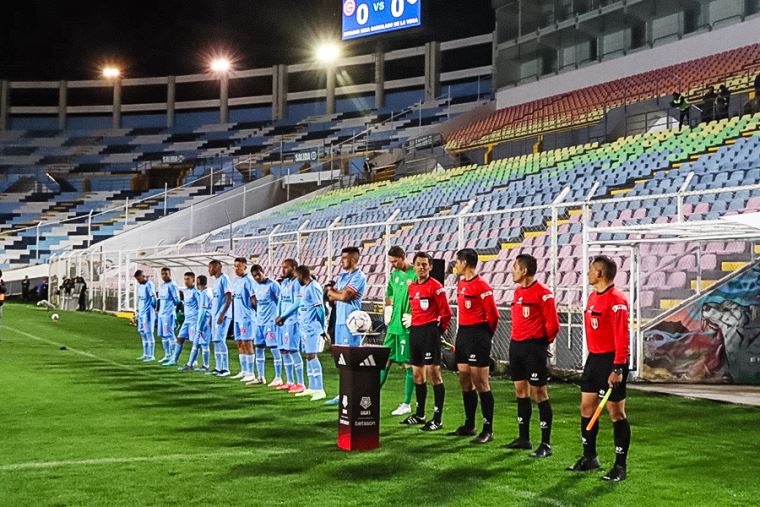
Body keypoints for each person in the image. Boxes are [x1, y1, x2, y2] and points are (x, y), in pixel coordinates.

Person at [567, 256, 631, 482]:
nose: (587, 274)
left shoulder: (617, 301)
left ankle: (620, 467)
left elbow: (622, 338)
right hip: (594, 360)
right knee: (586, 408)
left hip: (612, 362)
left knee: (616, 413)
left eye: (591, 270)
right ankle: (589, 457)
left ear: (600, 274)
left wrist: (618, 368)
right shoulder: (593, 297)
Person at [505, 254, 560, 458]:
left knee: (539, 394)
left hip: (533, 347)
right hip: (516, 345)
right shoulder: (518, 292)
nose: (512, 271)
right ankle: (524, 438)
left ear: (524, 271)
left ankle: (545, 443)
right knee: (520, 391)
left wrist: (540, 344)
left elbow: (553, 324)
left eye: (515, 268)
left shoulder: (544, 293)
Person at [448, 248, 499, 444]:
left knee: (481, 382)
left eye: (457, 261)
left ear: (466, 263)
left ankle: (488, 429)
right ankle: (469, 424)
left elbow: (493, 316)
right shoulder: (461, 284)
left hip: (478, 334)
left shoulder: (482, 286)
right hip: (463, 333)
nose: (455, 265)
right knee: (464, 379)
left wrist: (485, 336)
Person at [400, 252, 452, 432]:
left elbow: (446, 314)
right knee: (417, 375)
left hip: (430, 332)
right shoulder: (412, 287)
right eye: (418, 264)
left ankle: (437, 419)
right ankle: (420, 414)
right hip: (415, 332)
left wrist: (437, 331)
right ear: (413, 266)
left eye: (425, 264)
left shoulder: (436, 287)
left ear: (430, 267)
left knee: (434, 374)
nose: (421, 267)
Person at [324, 246, 368, 405]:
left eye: (345, 258)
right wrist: (335, 294)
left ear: (354, 260)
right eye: (341, 257)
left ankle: (354, 394)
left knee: (351, 360)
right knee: (342, 361)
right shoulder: (342, 276)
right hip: (340, 321)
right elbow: (333, 297)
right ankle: (343, 394)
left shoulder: (359, 276)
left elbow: (344, 296)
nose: (341, 260)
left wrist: (334, 293)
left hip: (353, 324)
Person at [381, 246, 417, 417]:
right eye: (391, 262)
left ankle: (407, 403)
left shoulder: (415, 274)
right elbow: (388, 294)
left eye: (395, 261)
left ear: (403, 257)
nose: (393, 265)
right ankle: (371, 396)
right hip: (393, 326)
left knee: (408, 364)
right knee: (384, 361)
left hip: (406, 327)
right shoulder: (394, 275)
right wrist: (388, 308)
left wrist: (415, 316)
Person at [294, 265, 327, 401]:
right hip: (305, 328)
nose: (296, 279)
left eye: (297, 276)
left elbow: (320, 309)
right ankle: (312, 387)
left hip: (313, 328)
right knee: (308, 355)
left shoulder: (314, 287)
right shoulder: (304, 288)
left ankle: (320, 389)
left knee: (313, 355)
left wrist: (322, 328)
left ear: (302, 275)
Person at [275, 259, 307, 393]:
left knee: (293, 350)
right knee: (283, 350)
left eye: (286, 268)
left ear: (294, 268)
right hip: (282, 322)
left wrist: (283, 316)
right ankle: (289, 381)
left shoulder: (297, 283)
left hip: (292, 321)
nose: (283, 270)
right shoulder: (284, 283)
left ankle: (301, 383)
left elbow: (297, 303)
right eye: (282, 267)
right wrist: (278, 316)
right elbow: (280, 301)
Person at [248, 264, 282, 386]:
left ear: (263, 272)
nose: (257, 277)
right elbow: (255, 300)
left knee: (274, 348)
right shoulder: (254, 285)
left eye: (258, 274)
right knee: (259, 347)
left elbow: (280, 302)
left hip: (270, 322)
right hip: (259, 322)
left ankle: (278, 377)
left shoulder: (273, 285)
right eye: (254, 276)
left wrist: (279, 316)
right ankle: (261, 377)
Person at [231, 258, 257, 382]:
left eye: (239, 266)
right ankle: (244, 370)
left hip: (246, 317)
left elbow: (254, 299)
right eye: (235, 266)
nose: (236, 268)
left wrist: (257, 313)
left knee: (247, 343)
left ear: (245, 267)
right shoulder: (236, 281)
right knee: (239, 343)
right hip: (237, 317)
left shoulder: (249, 281)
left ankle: (251, 373)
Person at [183, 275, 212, 372]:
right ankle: (190, 364)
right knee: (197, 343)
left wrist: (199, 326)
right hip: (206, 320)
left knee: (203, 344)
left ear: (198, 283)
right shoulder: (208, 291)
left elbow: (203, 311)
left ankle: (205, 366)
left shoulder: (204, 294)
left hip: (204, 322)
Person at [208, 260, 232, 377]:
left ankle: (226, 368)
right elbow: (215, 301)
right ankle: (218, 367)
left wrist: (222, 314)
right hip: (215, 315)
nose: (209, 270)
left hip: (223, 315)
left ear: (218, 267)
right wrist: (211, 317)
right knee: (216, 341)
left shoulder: (224, 278)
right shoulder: (216, 281)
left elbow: (229, 297)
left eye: (211, 267)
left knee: (221, 340)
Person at [172, 272, 200, 368]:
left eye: (188, 279)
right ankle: (174, 360)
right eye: (185, 279)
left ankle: (194, 361)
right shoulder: (185, 291)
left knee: (194, 341)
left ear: (193, 280)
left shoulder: (196, 292)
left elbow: (200, 306)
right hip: (186, 320)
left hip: (194, 320)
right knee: (179, 338)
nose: (186, 281)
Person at [157, 268, 181, 364]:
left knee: (170, 335)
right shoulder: (162, 285)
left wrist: (171, 309)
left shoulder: (173, 285)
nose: (164, 276)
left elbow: (177, 300)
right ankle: (167, 355)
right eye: (162, 274)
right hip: (161, 314)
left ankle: (174, 357)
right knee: (163, 335)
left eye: (166, 274)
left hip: (168, 314)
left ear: (170, 274)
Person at [133, 270, 157, 361]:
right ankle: (145, 354)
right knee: (142, 333)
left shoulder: (149, 285)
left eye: (139, 279)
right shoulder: (140, 286)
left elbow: (154, 299)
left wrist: (153, 309)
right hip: (141, 314)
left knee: (149, 333)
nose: (138, 281)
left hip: (148, 314)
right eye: (137, 279)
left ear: (143, 276)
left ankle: (151, 355)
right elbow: (140, 300)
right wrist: (138, 312)